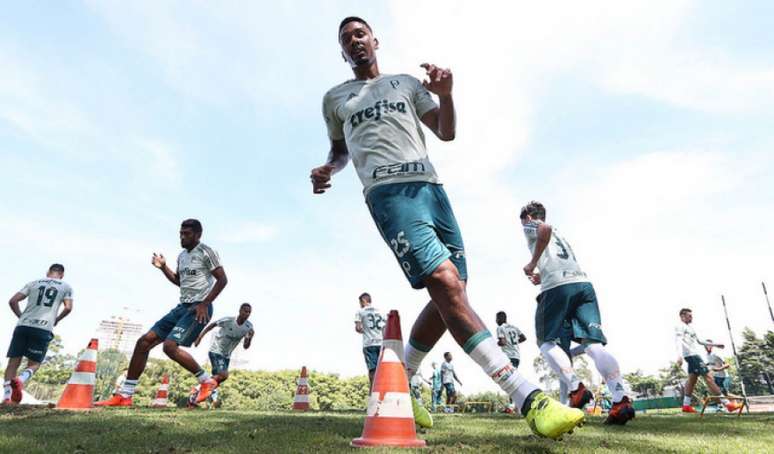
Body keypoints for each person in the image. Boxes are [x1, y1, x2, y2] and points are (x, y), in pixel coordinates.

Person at [310, 16, 583, 439]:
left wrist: (447, 95)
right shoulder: (335, 99)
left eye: (359, 33)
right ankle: (528, 398)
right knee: (445, 283)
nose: (354, 41)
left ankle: (402, 379)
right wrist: (328, 168)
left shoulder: (404, 83)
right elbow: (339, 149)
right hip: (388, 195)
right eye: (346, 39)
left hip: (432, 190)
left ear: (374, 40)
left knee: (452, 292)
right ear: (342, 52)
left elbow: (445, 130)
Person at [520, 201, 634, 425]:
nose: (523, 225)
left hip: (557, 288)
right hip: (582, 284)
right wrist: (541, 274)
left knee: (545, 341)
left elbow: (544, 228)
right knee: (593, 344)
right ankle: (620, 399)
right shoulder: (562, 236)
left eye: (523, 220)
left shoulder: (534, 225)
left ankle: (575, 388)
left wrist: (532, 263)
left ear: (529, 217)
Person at [96, 219, 228, 407]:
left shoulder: (206, 252)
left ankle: (206, 381)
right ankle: (125, 395)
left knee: (169, 346)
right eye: (181, 233)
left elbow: (222, 280)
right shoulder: (182, 256)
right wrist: (163, 267)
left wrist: (205, 303)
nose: (182, 237)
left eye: (187, 234)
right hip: (182, 307)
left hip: (200, 307)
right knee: (143, 342)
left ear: (198, 235)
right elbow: (179, 281)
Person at [3, 264, 73, 404]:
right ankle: (20, 380)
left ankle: (6, 398)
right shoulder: (65, 286)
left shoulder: (33, 283)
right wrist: (56, 320)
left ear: (48, 272)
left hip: (23, 326)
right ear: (62, 274)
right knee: (34, 364)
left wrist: (20, 316)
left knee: (13, 362)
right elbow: (68, 307)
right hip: (42, 328)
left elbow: (13, 301)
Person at [675, 308, 740, 413]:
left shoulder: (691, 328)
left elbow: (700, 341)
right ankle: (727, 404)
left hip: (694, 355)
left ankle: (686, 406)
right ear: (682, 316)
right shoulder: (680, 326)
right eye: (689, 316)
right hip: (692, 355)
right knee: (709, 377)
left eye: (691, 316)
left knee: (692, 380)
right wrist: (679, 356)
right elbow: (678, 340)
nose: (691, 317)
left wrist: (715, 344)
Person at [189, 303, 255, 405]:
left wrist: (249, 338)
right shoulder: (228, 320)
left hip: (226, 355)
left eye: (249, 312)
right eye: (245, 311)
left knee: (217, 379)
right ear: (240, 311)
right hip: (216, 350)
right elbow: (212, 325)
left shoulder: (248, 327)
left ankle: (195, 395)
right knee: (223, 375)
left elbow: (245, 347)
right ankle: (198, 392)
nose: (247, 314)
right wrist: (199, 337)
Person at [353, 293, 384, 389]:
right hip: (381, 343)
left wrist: (364, 330)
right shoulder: (380, 311)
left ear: (363, 301)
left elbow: (358, 328)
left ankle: (373, 392)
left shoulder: (360, 312)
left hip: (369, 344)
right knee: (382, 369)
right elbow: (385, 327)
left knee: (372, 369)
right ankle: (382, 390)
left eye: (360, 302)